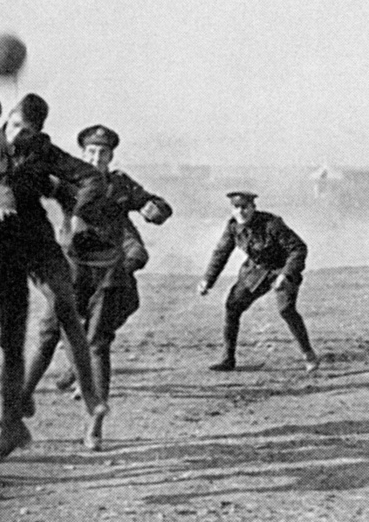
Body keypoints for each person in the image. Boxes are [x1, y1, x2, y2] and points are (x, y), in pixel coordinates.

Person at [0, 93, 109, 464]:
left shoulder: (43, 150)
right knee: (10, 339)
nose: (18, 136)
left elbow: (92, 177)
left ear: (38, 131)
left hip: (36, 241)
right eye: (14, 126)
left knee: (65, 305)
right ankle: (11, 428)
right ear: (6, 122)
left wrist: (79, 214)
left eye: (27, 130)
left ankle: (93, 399)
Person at [23, 124, 172, 450]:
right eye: (90, 152)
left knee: (97, 343)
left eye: (102, 153)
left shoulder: (119, 184)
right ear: (82, 153)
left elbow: (154, 204)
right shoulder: (69, 182)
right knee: (48, 332)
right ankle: (22, 398)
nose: (96, 157)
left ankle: (95, 424)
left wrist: (155, 210)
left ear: (111, 156)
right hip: (71, 270)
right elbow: (33, 182)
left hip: (106, 273)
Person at [197, 192, 318, 372]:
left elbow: (298, 248)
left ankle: (308, 354)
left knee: (286, 310)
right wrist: (207, 280)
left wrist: (285, 274)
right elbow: (220, 254)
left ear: (253, 207)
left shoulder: (272, 224)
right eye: (236, 208)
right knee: (233, 306)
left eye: (245, 207)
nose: (241, 212)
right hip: (256, 270)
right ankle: (228, 359)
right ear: (232, 209)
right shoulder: (233, 227)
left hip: (282, 268)